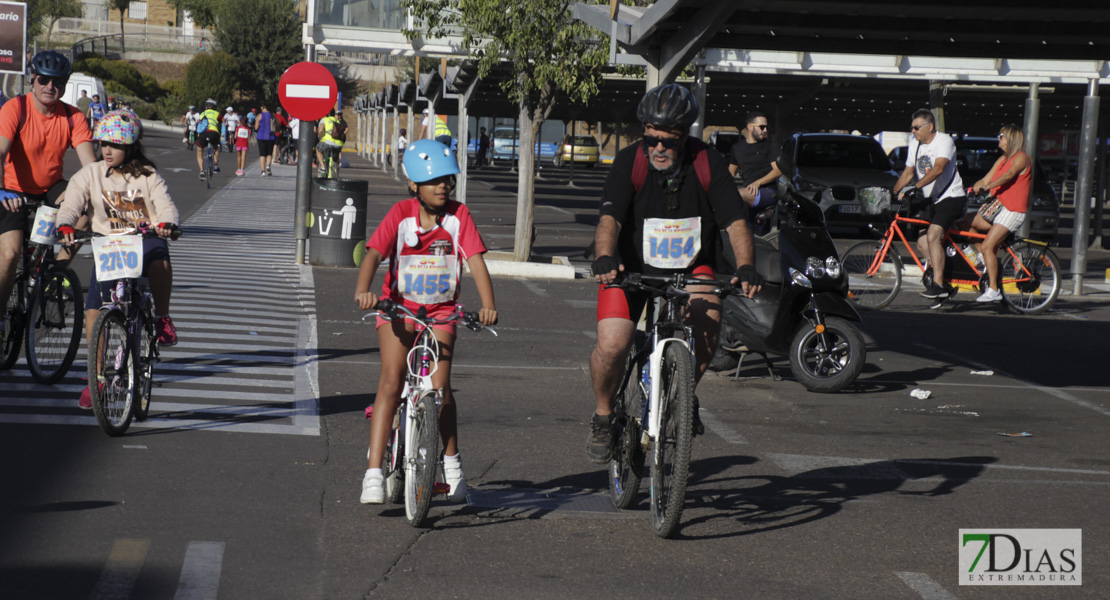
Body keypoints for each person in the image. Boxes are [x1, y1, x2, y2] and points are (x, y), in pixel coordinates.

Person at [585, 83, 762, 464]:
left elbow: (735, 222)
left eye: (669, 140)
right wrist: (604, 256)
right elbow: (610, 218)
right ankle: (602, 415)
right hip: (631, 267)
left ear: (686, 136)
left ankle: (683, 395)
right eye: (652, 139)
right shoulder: (629, 161)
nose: (659, 148)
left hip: (690, 266)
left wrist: (746, 265)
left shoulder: (708, 162)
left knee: (709, 317)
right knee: (613, 344)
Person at [354, 139, 498, 505]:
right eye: (434, 181)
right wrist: (364, 291)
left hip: (441, 313)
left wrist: (488, 305)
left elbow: (476, 260)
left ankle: (452, 467)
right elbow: (373, 254)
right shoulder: (400, 214)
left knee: (442, 389)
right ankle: (373, 471)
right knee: (391, 380)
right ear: (413, 186)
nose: (443, 187)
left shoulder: (458, 217)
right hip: (398, 312)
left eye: (448, 180)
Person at [55, 110, 181, 408]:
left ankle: (162, 318)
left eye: (115, 144)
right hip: (109, 246)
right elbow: (73, 200)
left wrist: (168, 224)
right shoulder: (92, 173)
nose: (107, 150)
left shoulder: (148, 176)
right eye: (103, 144)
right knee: (93, 310)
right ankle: (96, 378)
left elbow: (166, 206)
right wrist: (65, 224)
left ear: (131, 146)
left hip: (144, 240)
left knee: (161, 262)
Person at [0, 50, 97, 344]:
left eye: (57, 82)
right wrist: (1, 190)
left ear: (65, 85)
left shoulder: (73, 116)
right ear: (33, 78)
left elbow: (90, 168)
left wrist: (103, 199)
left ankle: (55, 272)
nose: (49, 87)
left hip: (50, 187)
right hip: (12, 188)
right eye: (43, 80)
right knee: (10, 254)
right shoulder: (15, 109)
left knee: (86, 208)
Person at [892, 108, 965, 301]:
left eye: (917, 127)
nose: (913, 131)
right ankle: (944, 277)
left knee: (933, 236)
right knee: (923, 244)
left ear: (930, 126)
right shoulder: (914, 145)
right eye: (912, 128)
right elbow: (908, 172)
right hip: (933, 200)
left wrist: (915, 187)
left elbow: (939, 168)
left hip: (952, 197)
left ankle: (939, 285)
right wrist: (894, 191)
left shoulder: (944, 141)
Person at [968, 124, 1031, 303]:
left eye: (1001, 135)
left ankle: (994, 289)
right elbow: (986, 178)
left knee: (988, 245)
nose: (999, 138)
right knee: (965, 223)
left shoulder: (1021, 158)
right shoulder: (1001, 160)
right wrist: (974, 186)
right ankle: (983, 259)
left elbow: (1009, 175)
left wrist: (988, 187)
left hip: (1012, 210)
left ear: (1011, 138)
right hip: (997, 207)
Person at [728, 111, 782, 234]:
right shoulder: (737, 148)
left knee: (738, 194)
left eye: (766, 127)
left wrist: (758, 183)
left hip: (768, 192)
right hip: (748, 194)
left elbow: (778, 171)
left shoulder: (770, 145)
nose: (765, 130)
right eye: (762, 127)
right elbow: (730, 174)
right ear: (750, 127)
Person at [195, 98, 222, 177]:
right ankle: (216, 166)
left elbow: (200, 123)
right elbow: (220, 124)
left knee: (199, 151)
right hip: (214, 133)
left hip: (203, 134)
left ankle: (201, 171)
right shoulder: (217, 114)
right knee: (215, 148)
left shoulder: (202, 114)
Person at [315, 109, 344, 176]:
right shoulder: (337, 121)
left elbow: (320, 130)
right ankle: (337, 166)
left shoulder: (324, 120)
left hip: (327, 143)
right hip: (338, 144)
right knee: (337, 155)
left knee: (318, 149)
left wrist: (320, 137)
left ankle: (323, 167)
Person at [254, 103, 275, 176]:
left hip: (261, 136)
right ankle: (268, 166)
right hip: (271, 137)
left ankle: (263, 171)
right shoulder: (272, 115)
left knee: (262, 154)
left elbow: (256, 127)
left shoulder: (259, 115)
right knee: (269, 153)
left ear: (263, 107)